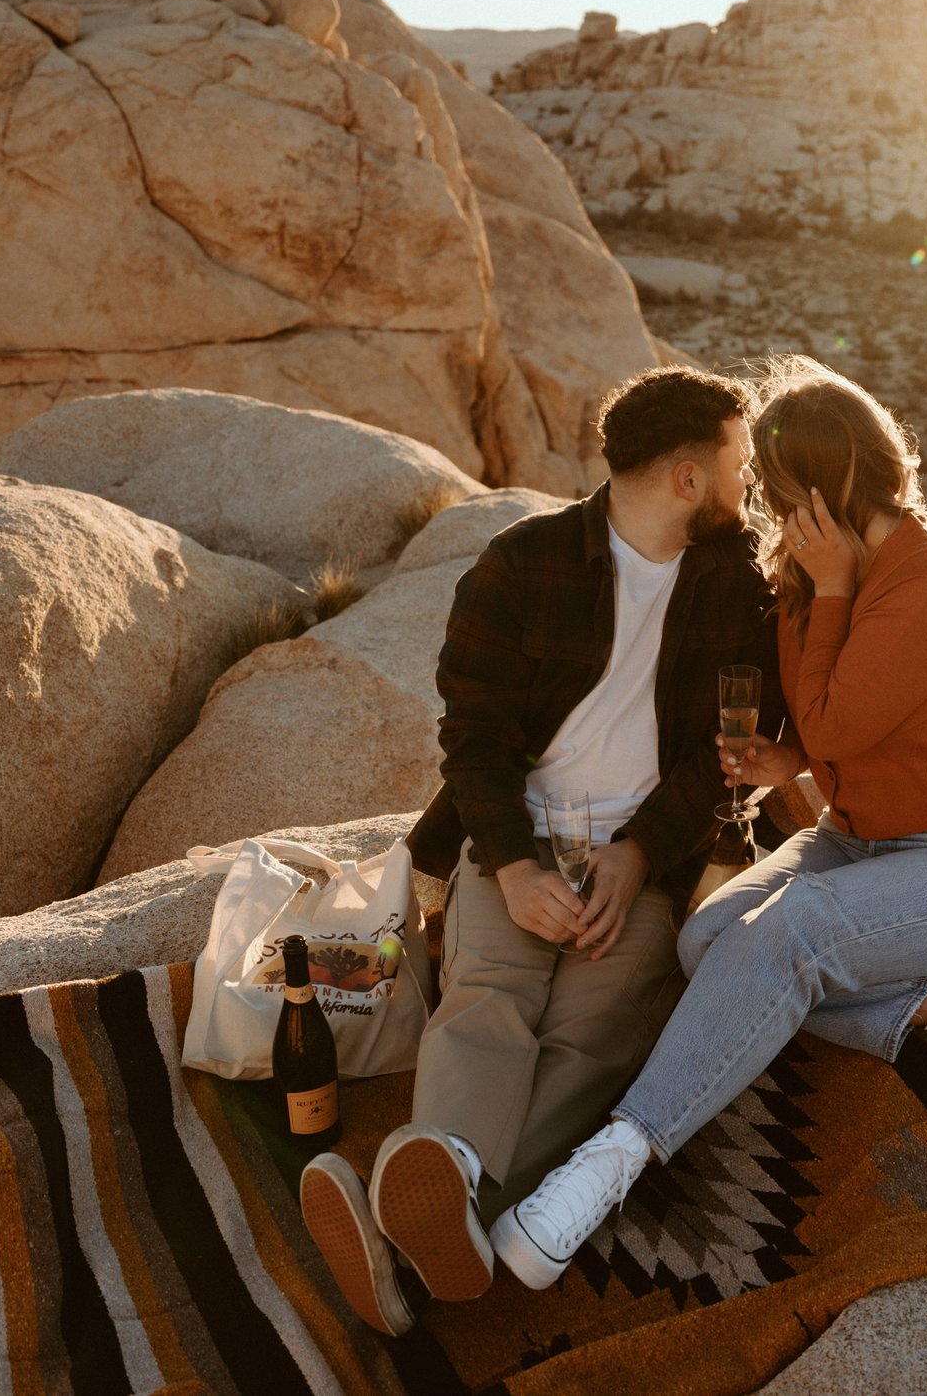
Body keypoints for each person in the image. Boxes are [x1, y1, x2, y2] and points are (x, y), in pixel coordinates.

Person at [486, 355, 927, 1290]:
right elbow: (829, 722)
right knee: (706, 942)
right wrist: (788, 761)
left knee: (790, 936)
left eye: (777, 489)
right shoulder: (816, 575)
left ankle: (606, 1167)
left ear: (831, 479)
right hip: (855, 840)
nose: (768, 510)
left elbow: (847, 715)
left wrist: (836, 593)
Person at [298, 366, 777, 1337]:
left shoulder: (738, 586)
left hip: (641, 857)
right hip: (515, 837)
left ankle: (417, 1232)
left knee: (596, 1039)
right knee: (486, 1005)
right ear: (687, 475)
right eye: (738, 461)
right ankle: (448, 1212)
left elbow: (722, 752)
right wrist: (513, 865)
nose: (748, 482)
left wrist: (639, 854)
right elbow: (473, 735)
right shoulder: (522, 565)